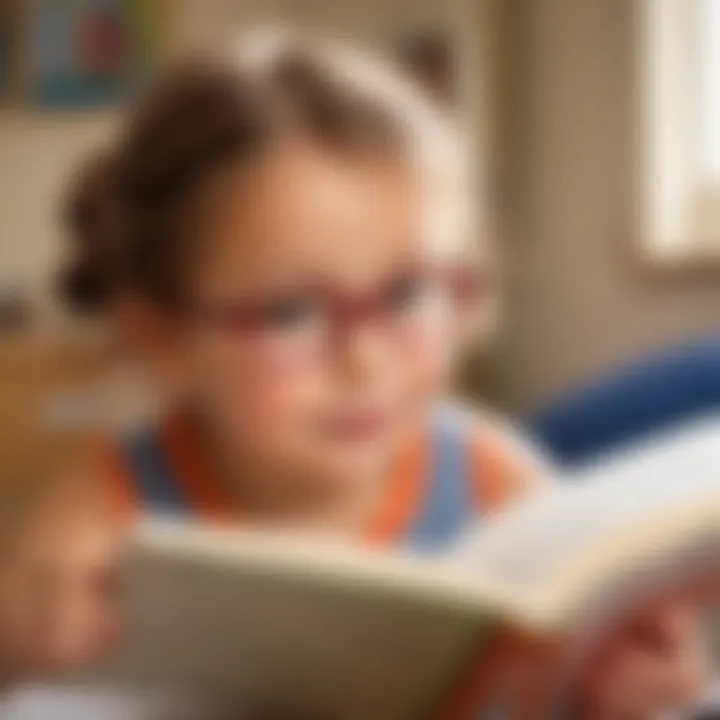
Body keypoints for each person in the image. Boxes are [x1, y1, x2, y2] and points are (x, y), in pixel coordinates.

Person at [0, 29, 707, 718]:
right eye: (289, 314)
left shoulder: (498, 480)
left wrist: (630, 686)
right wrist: (21, 648)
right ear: (162, 335)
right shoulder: (107, 511)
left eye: (407, 294)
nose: (366, 360)